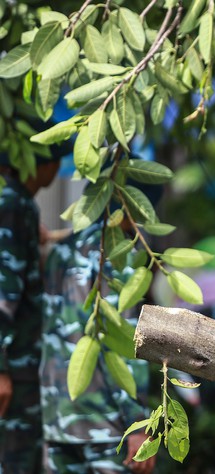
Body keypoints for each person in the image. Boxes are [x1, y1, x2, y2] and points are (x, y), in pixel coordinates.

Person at [39, 177, 161, 474]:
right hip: (105, 423)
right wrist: (137, 423)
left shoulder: (63, 249)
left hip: (58, 417)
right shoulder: (121, 259)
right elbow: (123, 344)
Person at [0, 122, 66, 473]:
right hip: (14, 366)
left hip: (22, 364)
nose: (57, 169)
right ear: (41, 163)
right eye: (55, 159)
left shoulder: (18, 203)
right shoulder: (12, 204)